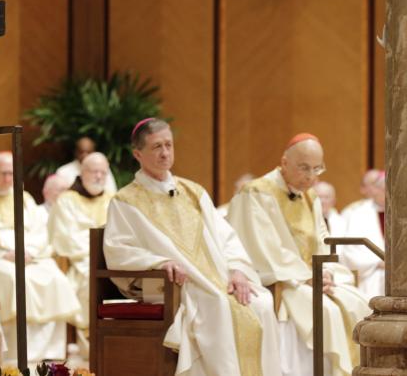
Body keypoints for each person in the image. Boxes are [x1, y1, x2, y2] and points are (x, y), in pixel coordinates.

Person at [104, 118, 281, 376]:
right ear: (137, 154)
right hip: (169, 283)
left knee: (261, 302)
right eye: (156, 147)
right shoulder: (125, 201)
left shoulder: (193, 192)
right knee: (218, 305)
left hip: (216, 277)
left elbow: (226, 237)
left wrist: (237, 269)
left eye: (168, 145)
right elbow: (120, 249)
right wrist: (158, 263)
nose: (165, 153)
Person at [227, 133, 371, 376]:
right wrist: (307, 276)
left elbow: (322, 239)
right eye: (304, 168)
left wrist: (325, 271)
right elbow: (264, 248)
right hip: (281, 280)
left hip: (310, 277)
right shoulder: (256, 193)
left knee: (360, 304)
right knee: (327, 311)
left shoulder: (310, 196)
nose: (311, 177)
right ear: (284, 162)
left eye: (317, 169)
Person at [0, 151, 81, 364]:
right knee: (15, 278)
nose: (8, 179)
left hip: (28, 255)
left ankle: (50, 351)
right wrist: (3, 254)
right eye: (4, 173)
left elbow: (40, 231)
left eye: (12, 174)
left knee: (56, 278)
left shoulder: (23, 197)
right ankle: (17, 353)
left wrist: (30, 251)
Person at [48, 152, 114, 357]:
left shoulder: (113, 199)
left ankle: (120, 338)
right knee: (90, 280)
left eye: (103, 172)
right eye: (94, 171)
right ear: (82, 173)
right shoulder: (67, 200)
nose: (99, 177)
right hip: (80, 261)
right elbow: (66, 239)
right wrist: (99, 253)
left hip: (113, 258)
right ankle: (92, 343)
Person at [339, 170, 385, 298]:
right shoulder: (357, 213)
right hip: (371, 274)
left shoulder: (405, 213)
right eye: (382, 189)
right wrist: (378, 262)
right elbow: (351, 248)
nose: (386, 193)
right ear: (375, 190)